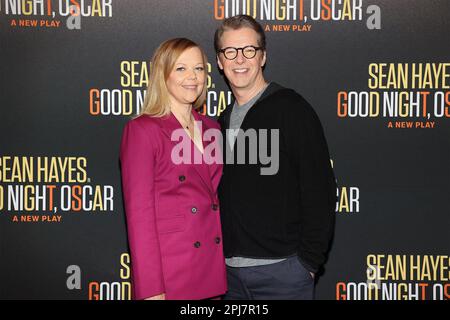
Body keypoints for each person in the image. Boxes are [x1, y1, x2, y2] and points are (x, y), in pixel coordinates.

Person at [215, 15, 337, 300]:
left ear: (263, 56)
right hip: (227, 278)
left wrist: (307, 264)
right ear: (220, 61)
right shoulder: (219, 122)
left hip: (283, 276)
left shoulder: (292, 109)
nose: (239, 59)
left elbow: (320, 190)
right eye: (230, 51)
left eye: (249, 50)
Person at [119, 38, 226, 300]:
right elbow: (139, 217)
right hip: (172, 274)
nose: (192, 77)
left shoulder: (212, 129)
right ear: (162, 75)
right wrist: (152, 289)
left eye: (199, 69)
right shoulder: (143, 130)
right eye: (181, 68)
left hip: (211, 271)